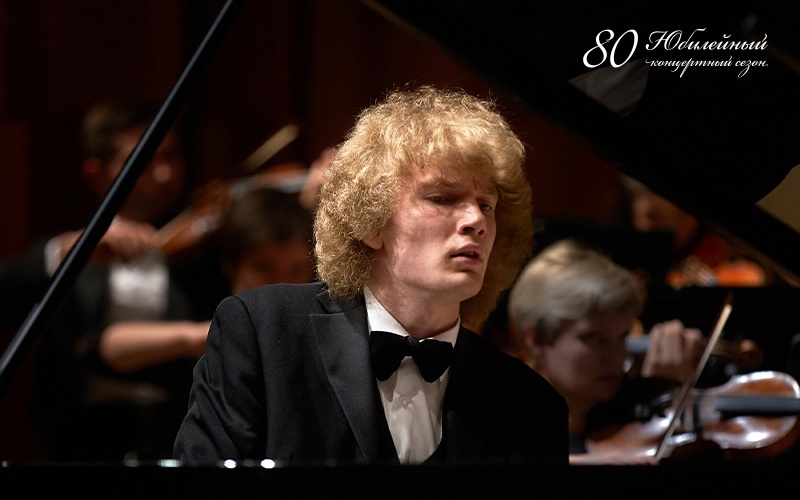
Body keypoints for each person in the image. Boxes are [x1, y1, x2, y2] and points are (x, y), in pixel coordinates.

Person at [173, 85, 569, 465]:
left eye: (486, 205)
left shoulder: (531, 403)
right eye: (443, 198)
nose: (476, 220)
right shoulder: (262, 333)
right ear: (371, 221)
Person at [0, 98, 200, 461]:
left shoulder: (202, 249)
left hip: (177, 434)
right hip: (76, 442)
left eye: (171, 156)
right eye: (143, 160)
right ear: (96, 174)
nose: (164, 175)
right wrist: (69, 251)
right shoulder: (70, 252)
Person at [507, 239, 704, 465]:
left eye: (622, 336)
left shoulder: (622, 421)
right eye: (593, 337)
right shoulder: (505, 431)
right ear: (536, 339)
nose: (617, 356)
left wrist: (664, 391)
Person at [98, 186, 316, 373]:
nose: (282, 284)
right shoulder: (198, 295)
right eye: (264, 268)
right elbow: (110, 345)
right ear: (231, 265)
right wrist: (199, 336)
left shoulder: (319, 317)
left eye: (298, 269)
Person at [621, 176, 768, 288]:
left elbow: (751, 278)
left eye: (655, 218)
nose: (641, 228)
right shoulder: (636, 266)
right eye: (635, 217)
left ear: (689, 220)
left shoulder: (727, 256)